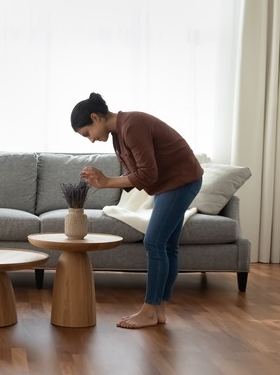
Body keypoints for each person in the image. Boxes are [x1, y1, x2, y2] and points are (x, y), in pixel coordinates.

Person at [71, 92, 203, 329]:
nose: (90, 140)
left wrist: (108, 181)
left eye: (87, 133)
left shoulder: (133, 125)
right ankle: (159, 310)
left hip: (181, 181)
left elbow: (147, 174)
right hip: (170, 184)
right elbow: (139, 172)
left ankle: (149, 309)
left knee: (153, 243)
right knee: (166, 245)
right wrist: (105, 181)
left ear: (95, 117)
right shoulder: (119, 134)